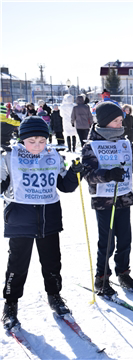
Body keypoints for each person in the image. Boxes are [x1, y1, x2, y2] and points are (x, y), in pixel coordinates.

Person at [1, 116, 82, 330]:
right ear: (21, 141)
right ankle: (10, 304)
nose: (37, 146)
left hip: (49, 217)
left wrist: (75, 173)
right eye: (31, 141)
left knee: (52, 261)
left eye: (42, 141)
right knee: (17, 264)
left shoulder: (53, 156)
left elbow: (65, 186)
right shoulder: (9, 157)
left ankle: (54, 295)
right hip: (20, 217)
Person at [82, 102, 133, 296]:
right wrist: (107, 174)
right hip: (104, 200)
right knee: (107, 241)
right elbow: (88, 173)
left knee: (125, 238)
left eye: (121, 120)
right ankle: (102, 277)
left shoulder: (125, 143)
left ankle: (123, 272)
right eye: (115, 121)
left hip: (123, 197)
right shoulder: (91, 145)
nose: (120, 124)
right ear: (103, 122)